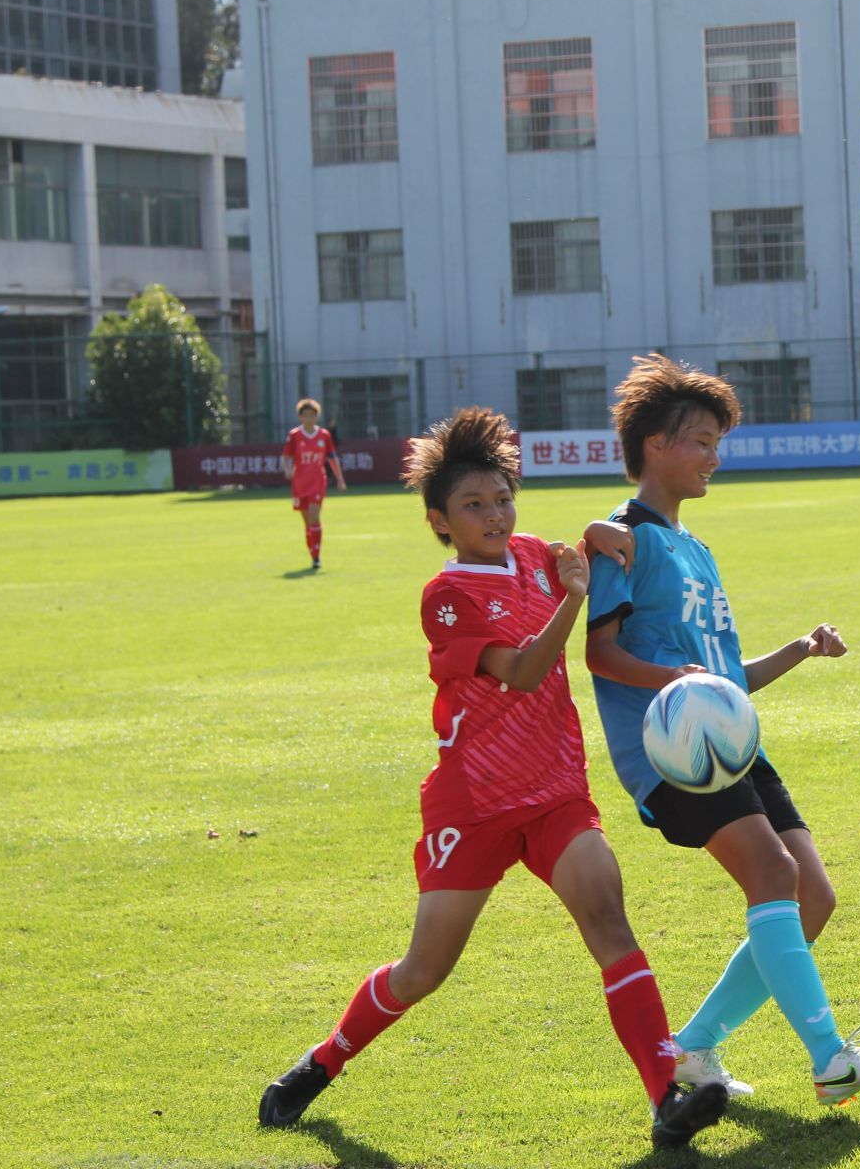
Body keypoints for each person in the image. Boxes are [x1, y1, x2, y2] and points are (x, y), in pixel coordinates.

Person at [257, 407, 729, 1152]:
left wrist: (601, 536)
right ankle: (324, 1060)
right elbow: (522, 671)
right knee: (422, 972)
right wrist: (576, 595)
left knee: (609, 922)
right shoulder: (446, 596)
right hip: (472, 805)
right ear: (440, 521)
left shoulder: (538, 556)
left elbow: (580, 548)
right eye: (473, 505)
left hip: (556, 795)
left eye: (503, 498)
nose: (494, 515)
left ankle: (664, 1092)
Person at [583, 354, 860, 1108]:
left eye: (715, 442)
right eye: (699, 441)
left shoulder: (696, 549)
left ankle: (692, 1048)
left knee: (813, 897)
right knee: (773, 876)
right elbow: (601, 653)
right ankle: (831, 1059)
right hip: (674, 753)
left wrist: (798, 648)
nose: (713, 457)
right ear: (656, 446)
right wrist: (682, 684)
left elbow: (723, 679)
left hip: (729, 742)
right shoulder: (622, 537)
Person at [281, 398, 347, 569]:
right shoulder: (295, 435)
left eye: (312, 415)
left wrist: (340, 479)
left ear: (317, 416)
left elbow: (332, 458)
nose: (309, 418)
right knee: (307, 522)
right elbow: (286, 456)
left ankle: (317, 556)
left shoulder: (324, 435)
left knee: (315, 516)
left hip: (318, 480)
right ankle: (313, 552)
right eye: (305, 415)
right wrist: (287, 469)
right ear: (300, 417)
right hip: (300, 482)